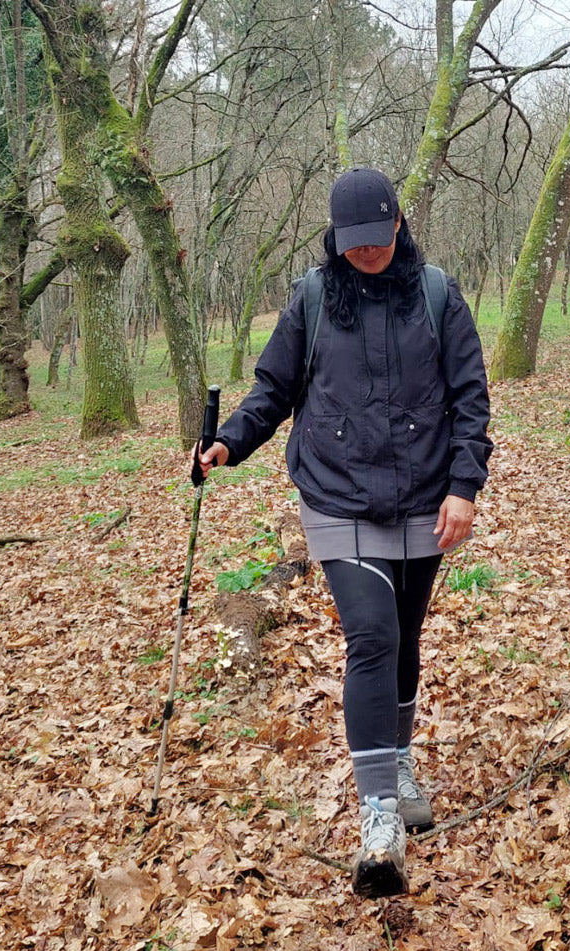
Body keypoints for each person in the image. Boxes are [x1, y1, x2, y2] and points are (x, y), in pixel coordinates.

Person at [196, 167, 492, 898]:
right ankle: (380, 816)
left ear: (399, 224)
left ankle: (395, 760)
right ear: (337, 238)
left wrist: (464, 487)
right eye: (353, 242)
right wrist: (230, 441)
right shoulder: (313, 298)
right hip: (335, 493)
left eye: (379, 237)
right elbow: (274, 388)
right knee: (372, 636)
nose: (368, 252)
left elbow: (470, 397)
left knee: (405, 639)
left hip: (425, 495)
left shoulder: (438, 295)